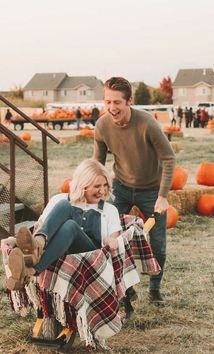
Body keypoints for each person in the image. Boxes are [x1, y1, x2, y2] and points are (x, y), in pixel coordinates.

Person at [93, 77, 176, 306]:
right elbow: (98, 164)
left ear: (129, 101)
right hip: (120, 188)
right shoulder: (102, 126)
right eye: (108, 101)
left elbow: (169, 159)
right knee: (111, 239)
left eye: (117, 102)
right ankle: (126, 291)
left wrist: (163, 196)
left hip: (151, 190)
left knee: (157, 242)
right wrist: (92, 189)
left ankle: (155, 289)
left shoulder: (146, 123)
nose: (112, 107)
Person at [6, 159, 122, 291]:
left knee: (70, 226)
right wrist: (14, 240)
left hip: (91, 257)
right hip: (56, 251)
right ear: (83, 185)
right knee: (64, 205)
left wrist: (111, 240)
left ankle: (34, 269)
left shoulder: (109, 210)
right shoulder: (59, 200)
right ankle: (35, 253)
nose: (102, 191)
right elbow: (42, 227)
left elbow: (115, 240)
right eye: (97, 186)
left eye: (105, 185)